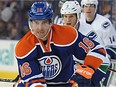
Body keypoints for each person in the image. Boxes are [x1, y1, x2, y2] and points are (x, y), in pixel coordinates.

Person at [14, 1, 110, 87]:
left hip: (66, 82)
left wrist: (85, 71)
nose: (40, 28)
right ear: (30, 23)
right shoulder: (23, 47)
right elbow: (35, 82)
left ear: (51, 23)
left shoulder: (68, 35)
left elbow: (98, 49)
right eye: (36, 22)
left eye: (44, 22)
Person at [60, 1, 111, 86]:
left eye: (71, 16)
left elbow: (104, 60)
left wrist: (92, 80)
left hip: (90, 69)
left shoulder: (88, 33)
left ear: (78, 16)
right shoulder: (59, 31)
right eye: (65, 16)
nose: (68, 20)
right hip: (72, 70)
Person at [80, 0, 116, 86]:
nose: (88, 9)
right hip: (81, 62)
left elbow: (113, 47)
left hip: (101, 62)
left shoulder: (104, 24)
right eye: (86, 6)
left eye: (91, 6)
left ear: (96, 8)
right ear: (82, 8)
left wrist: (102, 56)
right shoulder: (77, 20)